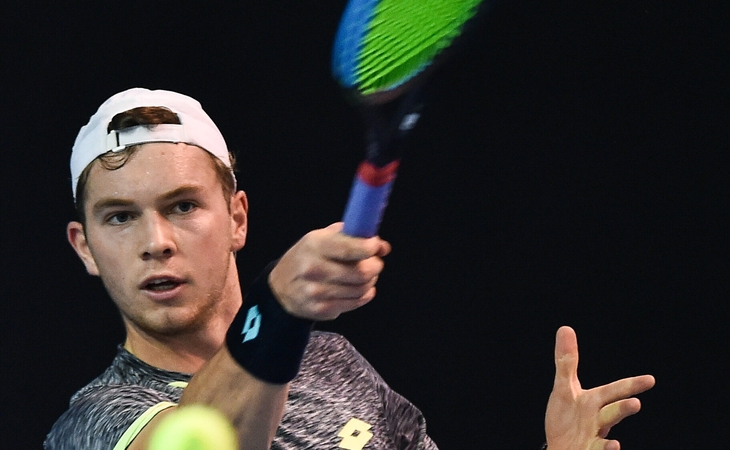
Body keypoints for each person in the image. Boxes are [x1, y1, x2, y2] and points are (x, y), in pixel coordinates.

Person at [45, 88, 655, 450]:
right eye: (120, 218)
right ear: (85, 247)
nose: (156, 241)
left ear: (237, 218)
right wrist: (277, 305)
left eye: (182, 206)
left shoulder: (336, 365)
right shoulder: (95, 423)